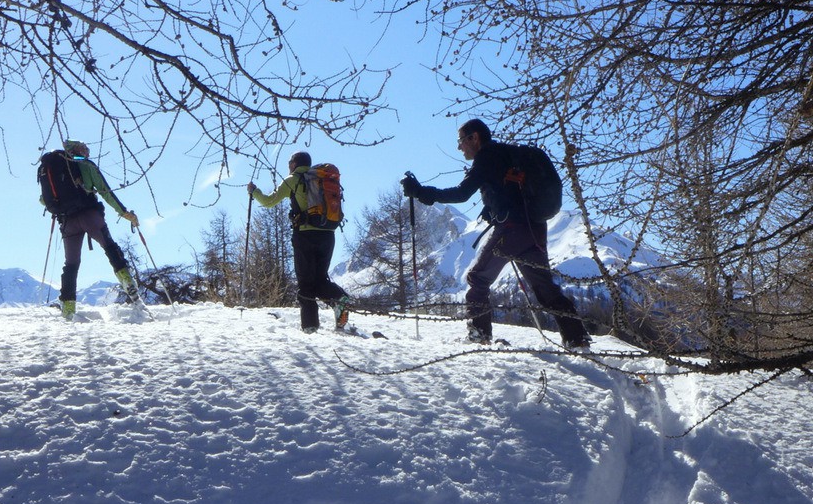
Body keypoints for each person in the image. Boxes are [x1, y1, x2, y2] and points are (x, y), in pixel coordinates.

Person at [400, 119, 590, 351]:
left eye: (461, 141)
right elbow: (509, 190)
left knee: (478, 278)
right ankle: (577, 339)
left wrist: (420, 191)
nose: (460, 147)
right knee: (545, 288)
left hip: (512, 229)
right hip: (535, 228)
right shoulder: (506, 155)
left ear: (474, 138)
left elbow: (461, 193)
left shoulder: (487, 156)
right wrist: (493, 205)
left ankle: (479, 335)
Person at [249, 151, 353, 333]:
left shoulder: (293, 179)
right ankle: (338, 298)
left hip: (305, 235)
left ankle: (310, 327)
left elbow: (268, 202)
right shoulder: (319, 180)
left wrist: (254, 192)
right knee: (320, 278)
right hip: (328, 234)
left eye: (290, 161)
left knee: (305, 282)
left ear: (295, 163)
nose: (288, 165)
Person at [41, 139, 140, 319]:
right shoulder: (86, 166)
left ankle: (68, 307)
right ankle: (128, 282)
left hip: (68, 222)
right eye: (84, 148)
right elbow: (105, 192)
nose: (87, 151)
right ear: (77, 150)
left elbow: (44, 199)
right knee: (110, 247)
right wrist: (125, 213)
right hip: (90, 217)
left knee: (71, 265)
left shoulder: (52, 169)